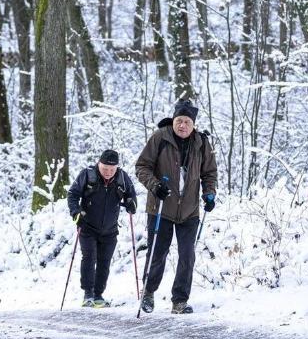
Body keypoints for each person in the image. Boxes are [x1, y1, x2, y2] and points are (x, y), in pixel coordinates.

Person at [135, 100, 218, 314]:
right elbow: (142, 166)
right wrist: (155, 186)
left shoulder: (201, 142)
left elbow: (209, 172)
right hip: (161, 206)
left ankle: (179, 300)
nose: (182, 125)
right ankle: (148, 292)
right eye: (179, 120)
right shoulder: (159, 138)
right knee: (158, 252)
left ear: (193, 125)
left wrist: (209, 193)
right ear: (173, 120)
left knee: (187, 255)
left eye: (187, 122)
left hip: (189, 209)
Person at [67, 150, 137, 308]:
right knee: (89, 257)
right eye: (105, 169)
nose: (108, 173)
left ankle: (98, 295)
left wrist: (131, 203)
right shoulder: (87, 175)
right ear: (99, 164)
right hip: (87, 226)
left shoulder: (122, 178)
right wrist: (75, 211)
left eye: (112, 170)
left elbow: (131, 195)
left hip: (110, 229)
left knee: (104, 262)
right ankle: (88, 294)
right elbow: (72, 194)